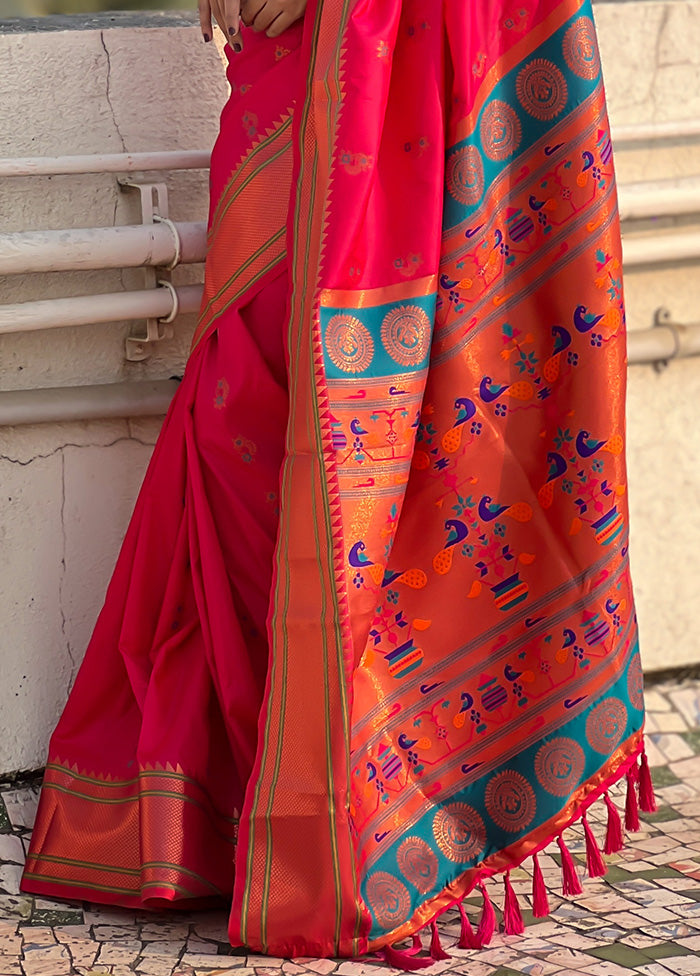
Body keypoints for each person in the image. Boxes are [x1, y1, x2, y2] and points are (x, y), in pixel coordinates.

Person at [22, 0, 654, 963]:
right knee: (251, 403)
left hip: (445, 37)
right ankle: (234, 816)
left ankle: (368, 819)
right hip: (298, 61)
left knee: (424, 418)